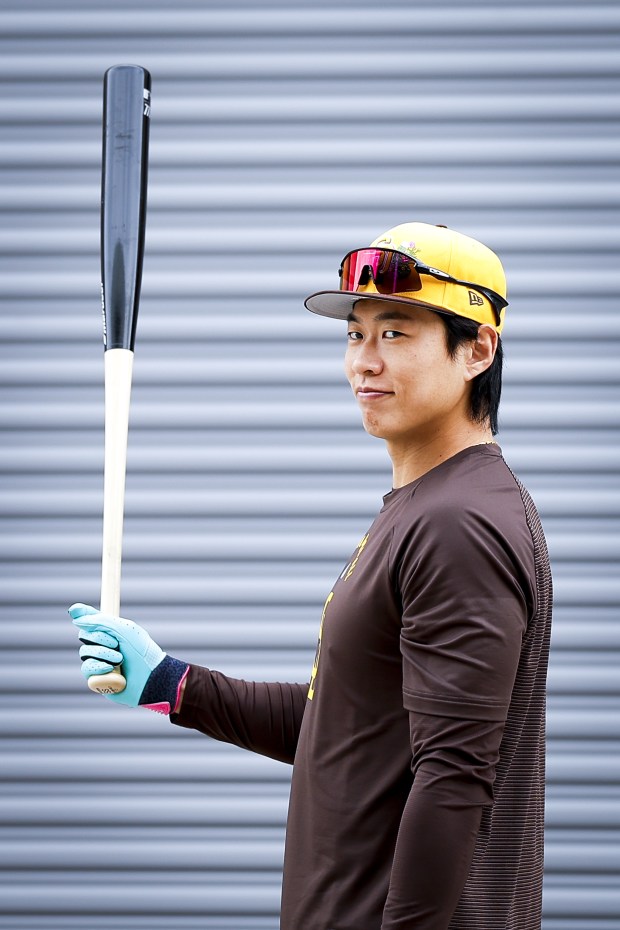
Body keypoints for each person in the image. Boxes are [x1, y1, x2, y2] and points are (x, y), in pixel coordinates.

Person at [70, 221, 553, 930]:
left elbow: (452, 781)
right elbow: (353, 730)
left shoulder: (459, 525)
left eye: (396, 333)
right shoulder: (428, 508)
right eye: (355, 335)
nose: (364, 362)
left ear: (477, 349)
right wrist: (172, 686)